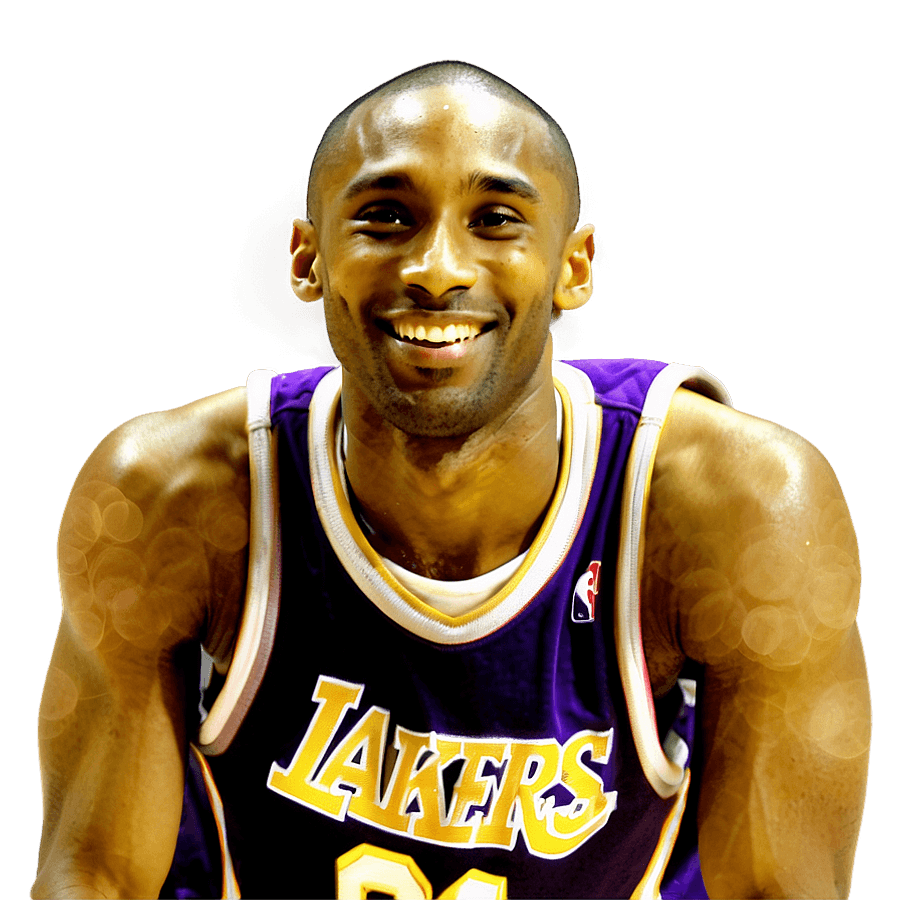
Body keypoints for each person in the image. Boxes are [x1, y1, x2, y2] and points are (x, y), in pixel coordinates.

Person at [33, 61, 870, 900]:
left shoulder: (734, 507)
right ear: (308, 259)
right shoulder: (173, 495)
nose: (436, 268)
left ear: (574, 267)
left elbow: (779, 890)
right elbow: (96, 873)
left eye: (496, 220)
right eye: (385, 217)